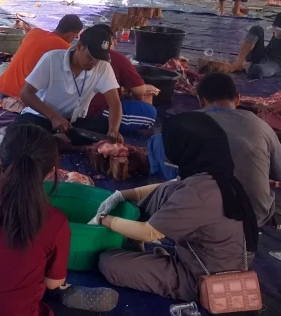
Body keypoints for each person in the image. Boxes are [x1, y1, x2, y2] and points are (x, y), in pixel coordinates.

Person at [0, 124, 118, 316]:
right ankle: (65, 296)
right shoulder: (56, 221)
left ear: (0, 159)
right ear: (51, 171)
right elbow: (53, 283)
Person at [94, 112, 258, 303]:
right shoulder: (214, 173)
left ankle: (171, 276)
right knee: (167, 190)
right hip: (203, 259)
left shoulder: (199, 193)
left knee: (109, 263)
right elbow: (165, 187)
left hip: (203, 278)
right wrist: (122, 195)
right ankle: (153, 257)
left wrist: (104, 219)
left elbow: (147, 233)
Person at [147, 73, 281, 226]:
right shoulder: (260, 125)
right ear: (237, 98)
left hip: (203, 217)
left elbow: (173, 160)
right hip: (256, 216)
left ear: (201, 101)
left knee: (156, 141)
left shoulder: (187, 123)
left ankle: (160, 194)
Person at [15, 26, 123, 145]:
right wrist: (53, 117)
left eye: (98, 59)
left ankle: (57, 142)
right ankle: (65, 144)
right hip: (42, 118)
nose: (94, 62)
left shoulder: (102, 66)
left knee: (105, 126)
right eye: (90, 57)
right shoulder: (52, 59)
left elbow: (114, 103)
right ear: (79, 46)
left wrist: (113, 131)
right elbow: (26, 94)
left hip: (73, 124)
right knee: (21, 133)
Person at [84, 24, 158, 132]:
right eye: (113, 39)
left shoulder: (74, 55)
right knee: (149, 112)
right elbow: (139, 90)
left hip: (79, 108)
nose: (115, 42)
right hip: (92, 112)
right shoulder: (113, 57)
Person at [0, 14, 84, 98]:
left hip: (4, 86)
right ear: (71, 35)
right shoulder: (65, 49)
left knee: (4, 66)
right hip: (25, 95)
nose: (74, 39)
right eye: (75, 37)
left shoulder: (34, 32)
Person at [229, 11, 281, 79]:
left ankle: (248, 65)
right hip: (264, 54)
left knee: (255, 71)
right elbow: (277, 34)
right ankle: (238, 64)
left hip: (275, 64)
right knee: (257, 29)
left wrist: (247, 67)